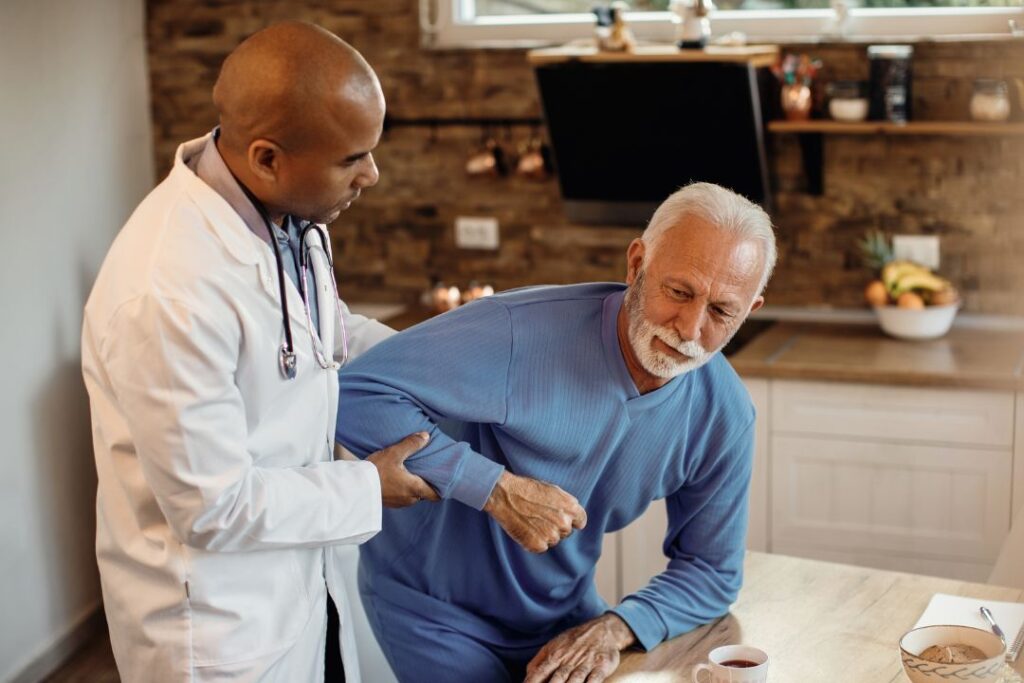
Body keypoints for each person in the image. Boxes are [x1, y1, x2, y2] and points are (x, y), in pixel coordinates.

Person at [81, 22, 439, 683]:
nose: (373, 174)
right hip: (222, 631)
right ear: (268, 157)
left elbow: (323, 333)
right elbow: (213, 506)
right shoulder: (167, 290)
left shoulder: (286, 217)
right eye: (351, 159)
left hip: (304, 587)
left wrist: (441, 360)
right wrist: (369, 485)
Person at [335, 182, 776, 683]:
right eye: (679, 292)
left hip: (562, 614)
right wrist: (494, 489)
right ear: (637, 265)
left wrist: (616, 626)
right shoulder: (518, 330)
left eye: (722, 311)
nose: (692, 329)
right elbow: (353, 393)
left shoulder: (725, 414)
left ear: (750, 311)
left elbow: (712, 571)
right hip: (432, 609)